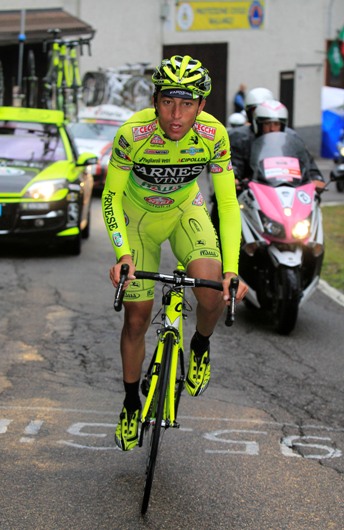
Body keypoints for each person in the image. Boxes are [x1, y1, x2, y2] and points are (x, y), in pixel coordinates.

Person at [102, 55, 248, 451]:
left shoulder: (214, 135)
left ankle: (199, 345)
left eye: (187, 103)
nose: (176, 114)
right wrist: (123, 254)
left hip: (185, 211)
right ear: (155, 100)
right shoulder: (134, 134)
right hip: (137, 221)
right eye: (168, 102)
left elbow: (229, 205)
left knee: (214, 291)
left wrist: (232, 270)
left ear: (202, 105)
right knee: (136, 319)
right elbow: (111, 196)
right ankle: (132, 404)